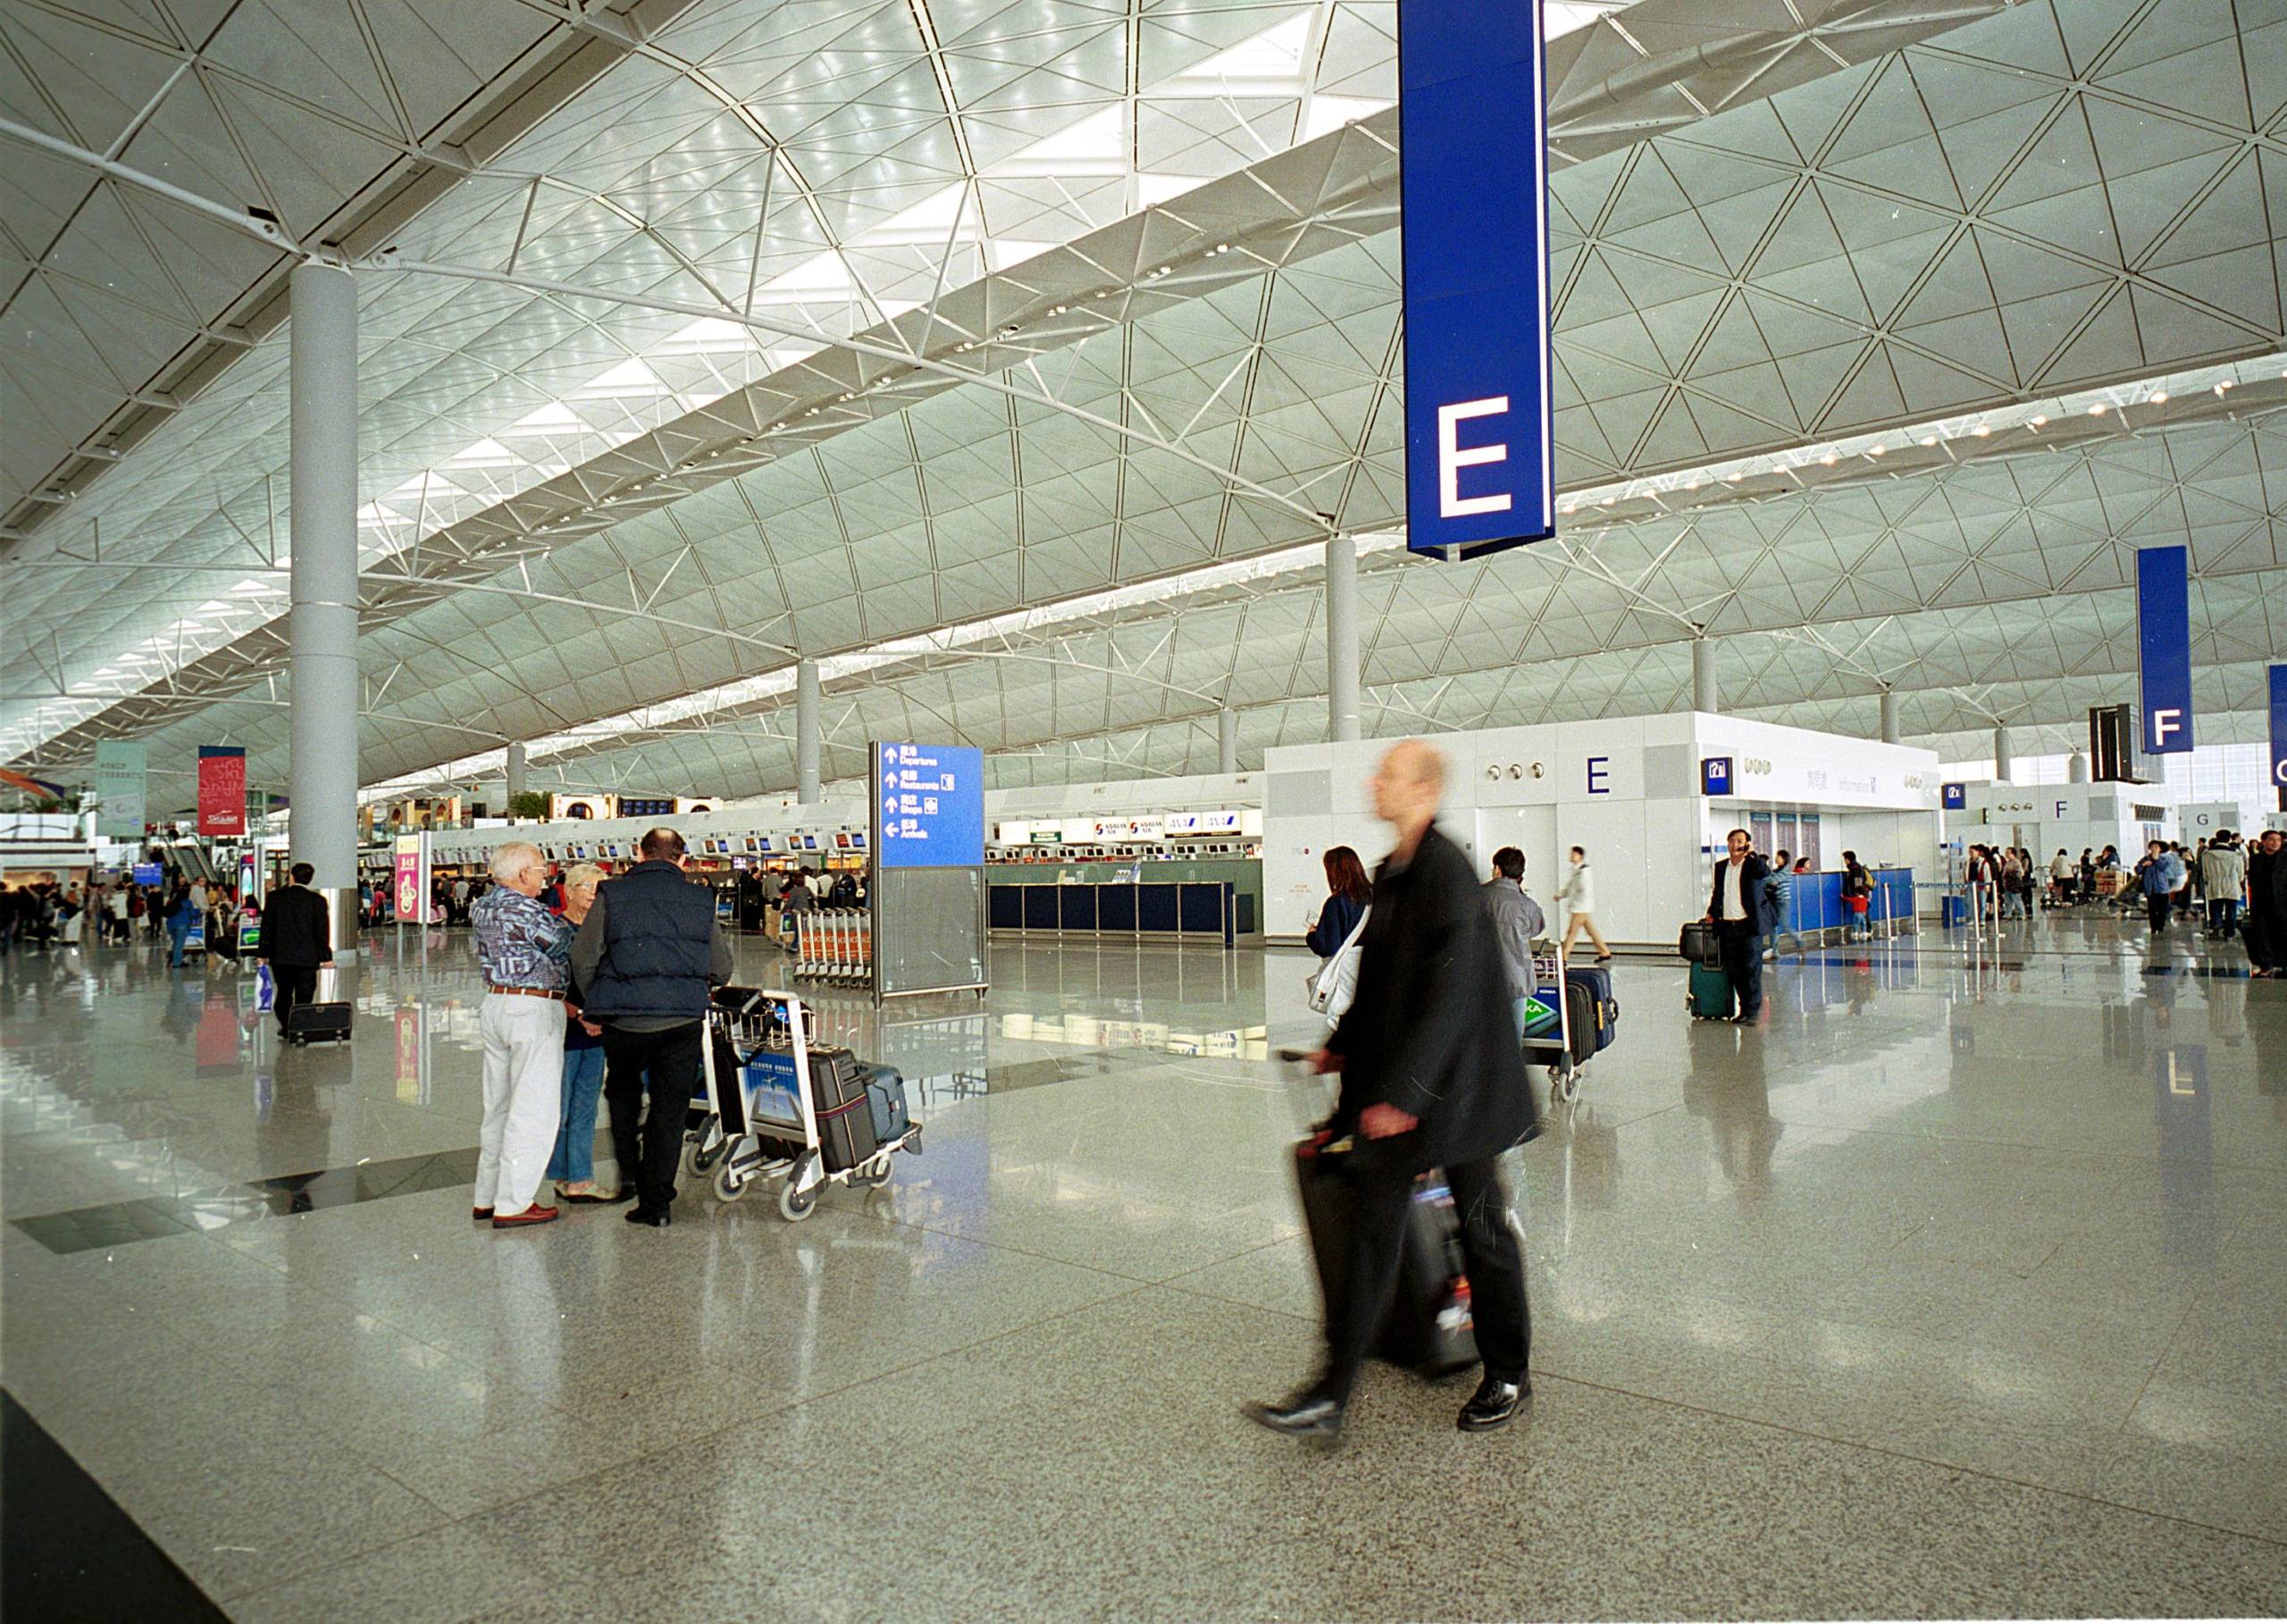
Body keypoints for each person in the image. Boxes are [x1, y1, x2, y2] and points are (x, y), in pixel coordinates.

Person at [1248, 740, 1535, 1440]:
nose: (1376, 782)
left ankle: (1508, 1373)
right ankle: (1331, 1392)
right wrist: (1338, 1053)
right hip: (1406, 1095)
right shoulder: (1396, 872)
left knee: (1483, 1231)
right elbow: (1380, 988)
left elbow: (1452, 997)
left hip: (1462, 1096)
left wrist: (1402, 1096)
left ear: (1425, 792)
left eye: (1391, 774)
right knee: (1371, 1237)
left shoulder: (1446, 874)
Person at [572, 828, 733, 1228]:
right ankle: (657, 1202)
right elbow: (721, 966)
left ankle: (631, 1175)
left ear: (639, 855)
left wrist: (601, 997)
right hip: (680, 1020)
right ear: (683, 859)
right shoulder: (700, 898)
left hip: (624, 1020)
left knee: (623, 1094)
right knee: (669, 1108)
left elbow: (583, 955)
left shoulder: (612, 893)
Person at [470, 842, 569, 1228]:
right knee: (533, 1109)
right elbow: (563, 945)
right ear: (523, 874)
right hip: (530, 1009)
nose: (545, 877)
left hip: (496, 1004)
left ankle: (487, 1196)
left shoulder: (484, 904)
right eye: (542, 870)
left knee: (498, 1106)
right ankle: (514, 1202)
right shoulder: (523, 907)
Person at [546, 864, 626, 1206]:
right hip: (564, 1029)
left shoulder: (603, 932)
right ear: (570, 890)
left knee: (585, 1106)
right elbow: (548, 984)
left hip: (595, 1031)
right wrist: (579, 1015)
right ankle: (564, 1173)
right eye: (588, 887)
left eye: (599, 887)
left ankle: (579, 1177)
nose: (594, 893)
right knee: (560, 1107)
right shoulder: (555, 930)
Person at [1704, 829, 1777, 1023]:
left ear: (1746, 844)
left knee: (1751, 969)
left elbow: (1765, 872)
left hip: (1749, 925)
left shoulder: (1753, 865)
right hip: (1728, 925)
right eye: (1731, 841)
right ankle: (1744, 1009)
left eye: (1739, 841)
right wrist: (1712, 911)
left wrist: (1752, 853)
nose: (1735, 845)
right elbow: (1718, 893)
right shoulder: (1721, 867)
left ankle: (1753, 1012)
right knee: (1735, 970)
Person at [256, 863, 333, 1038]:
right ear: (311, 878)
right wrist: (326, 957)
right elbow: (321, 932)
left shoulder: (275, 898)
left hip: (281, 956)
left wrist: (263, 954)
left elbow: (267, 927)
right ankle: (300, 1026)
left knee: (284, 992)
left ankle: (286, 1026)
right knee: (305, 994)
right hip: (307, 957)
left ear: (291, 876)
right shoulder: (318, 901)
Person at [1482, 847, 1546, 1038]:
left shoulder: (1477, 896)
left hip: (1483, 980)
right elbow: (1536, 928)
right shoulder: (1527, 904)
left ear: (1497, 870)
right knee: (1512, 1041)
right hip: (1516, 980)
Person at [1305, 846, 1370, 958]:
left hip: (1347, 966)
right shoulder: (1376, 895)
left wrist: (1312, 935)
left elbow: (1328, 947)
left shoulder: (1336, 903)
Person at [1555, 847, 1612, 963]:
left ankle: (1563, 956)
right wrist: (1561, 895)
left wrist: (1574, 901)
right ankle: (1604, 952)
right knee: (1591, 931)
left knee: (1572, 932)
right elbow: (1570, 886)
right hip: (1581, 907)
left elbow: (1583, 889)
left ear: (1580, 856)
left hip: (1580, 907)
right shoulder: (1577, 870)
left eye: (1574, 854)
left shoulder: (1584, 871)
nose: (1571, 856)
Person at [2245, 831, 2283, 977]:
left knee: (2282, 932)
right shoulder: (2255, 859)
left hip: (2282, 902)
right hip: (2261, 902)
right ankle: (2266, 964)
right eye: (2272, 840)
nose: (2275, 843)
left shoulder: (2285, 858)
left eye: (2278, 840)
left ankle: (2282, 962)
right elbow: (2252, 879)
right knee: (2262, 934)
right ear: (2264, 842)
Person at [2201, 833, 2246, 940]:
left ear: (2217, 838)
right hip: (2231, 884)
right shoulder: (2235, 853)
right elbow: (2240, 872)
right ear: (2229, 839)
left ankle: (2217, 928)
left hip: (2214, 883)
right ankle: (2229, 933)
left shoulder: (2207, 854)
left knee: (2215, 909)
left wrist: (2210, 879)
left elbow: (2205, 872)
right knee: (2231, 910)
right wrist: (2239, 880)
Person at [2138, 840, 2184, 936]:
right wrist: (2143, 865)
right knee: (2152, 909)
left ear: (2160, 849)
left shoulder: (2165, 859)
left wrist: (2156, 859)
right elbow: (2138, 870)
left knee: (2162, 909)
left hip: (2162, 888)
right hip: (2150, 888)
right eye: (2152, 847)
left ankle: (2160, 926)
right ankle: (2153, 928)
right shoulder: (2145, 859)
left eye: (2156, 847)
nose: (2154, 849)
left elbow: (2163, 868)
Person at [1842, 850, 1873, 940]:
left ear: (1847, 859)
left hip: (1861, 893)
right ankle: (1866, 930)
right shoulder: (1856, 867)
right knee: (1864, 912)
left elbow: (1858, 881)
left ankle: (1867, 930)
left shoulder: (1855, 868)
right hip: (1863, 892)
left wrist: (1858, 893)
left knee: (1863, 912)